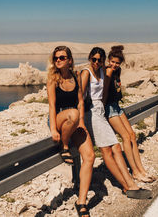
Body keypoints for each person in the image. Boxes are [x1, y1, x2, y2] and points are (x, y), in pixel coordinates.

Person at [81, 47, 152, 199]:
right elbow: (80, 97)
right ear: (90, 58)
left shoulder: (100, 71)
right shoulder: (86, 72)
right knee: (107, 150)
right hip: (92, 112)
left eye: (99, 60)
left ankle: (131, 183)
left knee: (117, 148)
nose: (97, 62)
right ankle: (128, 186)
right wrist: (80, 121)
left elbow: (104, 93)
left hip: (100, 110)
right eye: (94, 59)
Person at [47, 46, 95, 217]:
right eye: (56, 58)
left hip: (75, 121)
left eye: (62, 57)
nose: (58, 60)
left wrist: (82, 122)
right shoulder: (53, 79)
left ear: (69, 60)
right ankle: (64, 146)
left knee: (90, 157)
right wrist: (53, 128)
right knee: (72, 114)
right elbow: (52, 106)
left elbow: (80, 102)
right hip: (60, 118)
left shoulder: (75, 77)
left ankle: (81, 201)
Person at [104, 45, 156, 183]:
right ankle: (135, 172)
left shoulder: (117, 71)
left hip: (116, 106)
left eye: (117, 63)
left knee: (132, 135)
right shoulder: (107, 71)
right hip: (109, 108)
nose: (114, 65)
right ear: (108, 60)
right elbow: (103, 93)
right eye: (112, 62)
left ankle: (141, 170)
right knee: (126, 137)